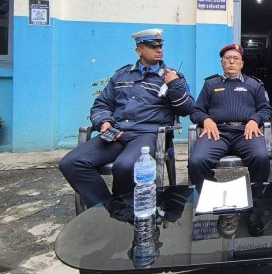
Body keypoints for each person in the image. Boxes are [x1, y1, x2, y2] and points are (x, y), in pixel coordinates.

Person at [59, 29, 194, 208]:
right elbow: (102, 104)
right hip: (116, 133)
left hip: (147, 135)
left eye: (160, 46)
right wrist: (104, 122)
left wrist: (175, 85)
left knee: (126, 166)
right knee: (71, 163)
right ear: (139, 50)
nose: (159, 50)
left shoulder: (172, 76)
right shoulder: (121, 75)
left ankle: (121, 211)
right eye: (152, 46)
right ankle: (107, 209)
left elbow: (186, 109)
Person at [188, 43, 271, 186]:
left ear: (242, 64)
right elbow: (196, 111)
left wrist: (254, 120)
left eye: (236, 58)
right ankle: (210, 192)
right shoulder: (210, 84)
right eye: (227, 58)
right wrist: (206, 120)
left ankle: (255, 195)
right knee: (197, 161)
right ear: (222, 63)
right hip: (216, 133)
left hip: (246, 132)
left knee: (261, 158)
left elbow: (265, 109)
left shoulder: (254, 84)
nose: (231, 62)